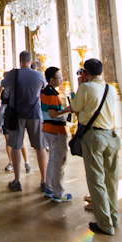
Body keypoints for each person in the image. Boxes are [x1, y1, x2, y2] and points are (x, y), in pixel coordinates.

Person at [64, 58, 120, 236]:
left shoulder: (86, 87)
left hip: (94, 136)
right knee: (111, 179)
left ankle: (105, 223)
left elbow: (75, 107)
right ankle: (114, 217)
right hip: (111, 135)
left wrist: (80, 86)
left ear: (85, 73)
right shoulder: (111, 88)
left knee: (96, 180)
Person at [5, 51, 48, 192]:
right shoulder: (39, 75)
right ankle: (44, 181)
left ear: (20, 60)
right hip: (35, 113)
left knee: (16, 146)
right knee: (40, 147)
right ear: (31, 61)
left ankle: (17, 180)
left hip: (17, 114)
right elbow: (44, 87)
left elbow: (4, 85)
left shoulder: (13, 74)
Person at [41, 67, 72, 202]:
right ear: (52, 79)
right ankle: (58, 193)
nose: (62, 80)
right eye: (59, 78)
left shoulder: (45, 91)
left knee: (53, 159)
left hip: (48, 128)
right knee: (58, 161)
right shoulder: (52, 94)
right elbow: (53, 113)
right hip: (56, 130)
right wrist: (66, 110)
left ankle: (49, 188)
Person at [0, 74, 31, 173]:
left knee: (20, 139)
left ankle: (26, 162)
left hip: (16, 114)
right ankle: (11, 161)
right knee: (8, 139)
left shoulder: (18, 88)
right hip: (6, 114)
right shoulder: (4, 88)